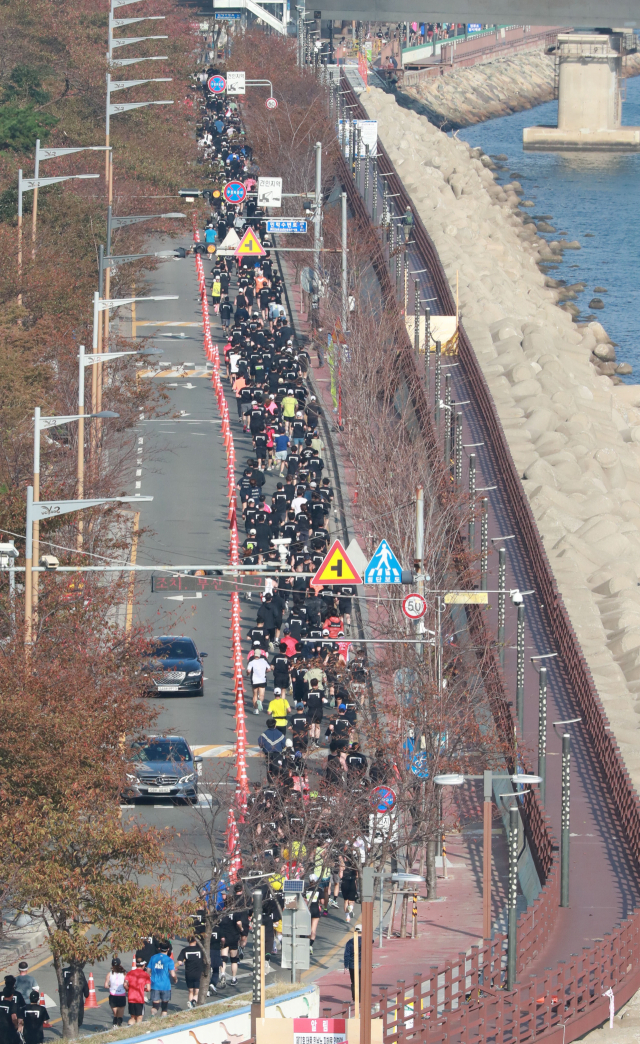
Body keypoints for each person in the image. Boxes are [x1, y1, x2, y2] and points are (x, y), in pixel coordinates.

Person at [148, 944, 176, 1017]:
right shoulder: (169, 960)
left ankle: (152, 1014)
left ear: (159, 948)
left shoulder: (153, 958)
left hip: (155, 985)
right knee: (164, 1008)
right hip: (165, 986)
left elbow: (148, 971)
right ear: (168, 949)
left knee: (155, 1006)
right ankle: (162, 1021)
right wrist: (175, 979)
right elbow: (173, 974)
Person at [177, 937, 205, 1008]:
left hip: (189, 973)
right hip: (198, 972)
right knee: (197, 992)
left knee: (190, 991)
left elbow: (180, 962)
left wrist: (183, 963)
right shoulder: (200, 950)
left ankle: (191, 1005)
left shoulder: (184, 950)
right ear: (195, 941)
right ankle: (194, 1002)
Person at [124, 959, 151, 1025]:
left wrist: (128, 989)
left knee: (132, 1017)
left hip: (131, 998)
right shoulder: (146, 975)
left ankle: (129, 1029)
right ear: (143, 965)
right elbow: (148, 988)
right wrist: (144, 989)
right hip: (139, 999)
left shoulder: (130, 973)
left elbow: (125, 984)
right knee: (139, 1017)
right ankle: (138, 1031)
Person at [246, 647, 272, 713]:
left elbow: (248, 671)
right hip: (262, 680)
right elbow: (269, 669)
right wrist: (265, 671)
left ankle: (255, 709)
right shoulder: (264, 661)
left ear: (254, 654)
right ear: (260, 655)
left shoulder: (251, 662)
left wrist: (247, 674)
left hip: (254, 680)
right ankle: (260, 701)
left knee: (255, 695)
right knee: (262, 695)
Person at [104, 958, 127, 1026]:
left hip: (113, 995)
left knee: (115, 1012)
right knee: (121, 1010)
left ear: (112, 965)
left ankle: (115, 1022)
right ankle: (119, 1023)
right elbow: (126, 984)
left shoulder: (109, 974)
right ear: (120, 964)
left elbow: (105, 985)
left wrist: (110, 986)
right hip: (121, 994)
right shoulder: (124, 973)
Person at [0, 980, 22, 1044]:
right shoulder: (12, 1004)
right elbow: (14, 1017)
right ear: (12, 995)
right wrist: (16, 1026)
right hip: (8, 1028)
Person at [343, 924, 362, 999]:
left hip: (352, 965)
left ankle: (355, 998)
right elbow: (372, 941)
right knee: (361, 982)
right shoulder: (366, 941)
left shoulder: (350, 942)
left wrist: (346, 965)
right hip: (363, 965)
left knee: (354, 982)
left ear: (355, 932)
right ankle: (361, 998)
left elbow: (346, 954)